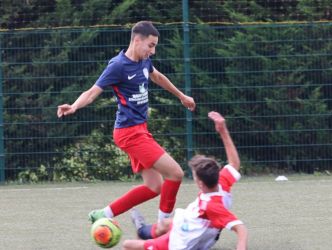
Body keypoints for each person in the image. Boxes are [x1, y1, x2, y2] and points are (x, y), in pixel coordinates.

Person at [57, 21, 196, 223]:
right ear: (137, 40)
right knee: (175, 173)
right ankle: (164, 228)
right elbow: (92, 92)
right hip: (129, 133)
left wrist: (181, 96)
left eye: (155, 46)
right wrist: (75, 106)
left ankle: (103, 214)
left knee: (154, 187)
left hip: (139, 130)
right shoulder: (118, 65)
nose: (153, 51)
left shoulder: (144, 61)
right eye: (151, 45)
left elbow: (157, 77)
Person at [122, 111, 248, 250]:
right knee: (164, 224)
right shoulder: (221, 182)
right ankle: (142, 229)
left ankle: (143, 234)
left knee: (128, 245)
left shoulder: (212, 205)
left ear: (200, 183)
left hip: (181, 240)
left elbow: (240, 228)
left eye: (194, 176)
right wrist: (223, 130)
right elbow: (234, 164)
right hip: (188, 220)